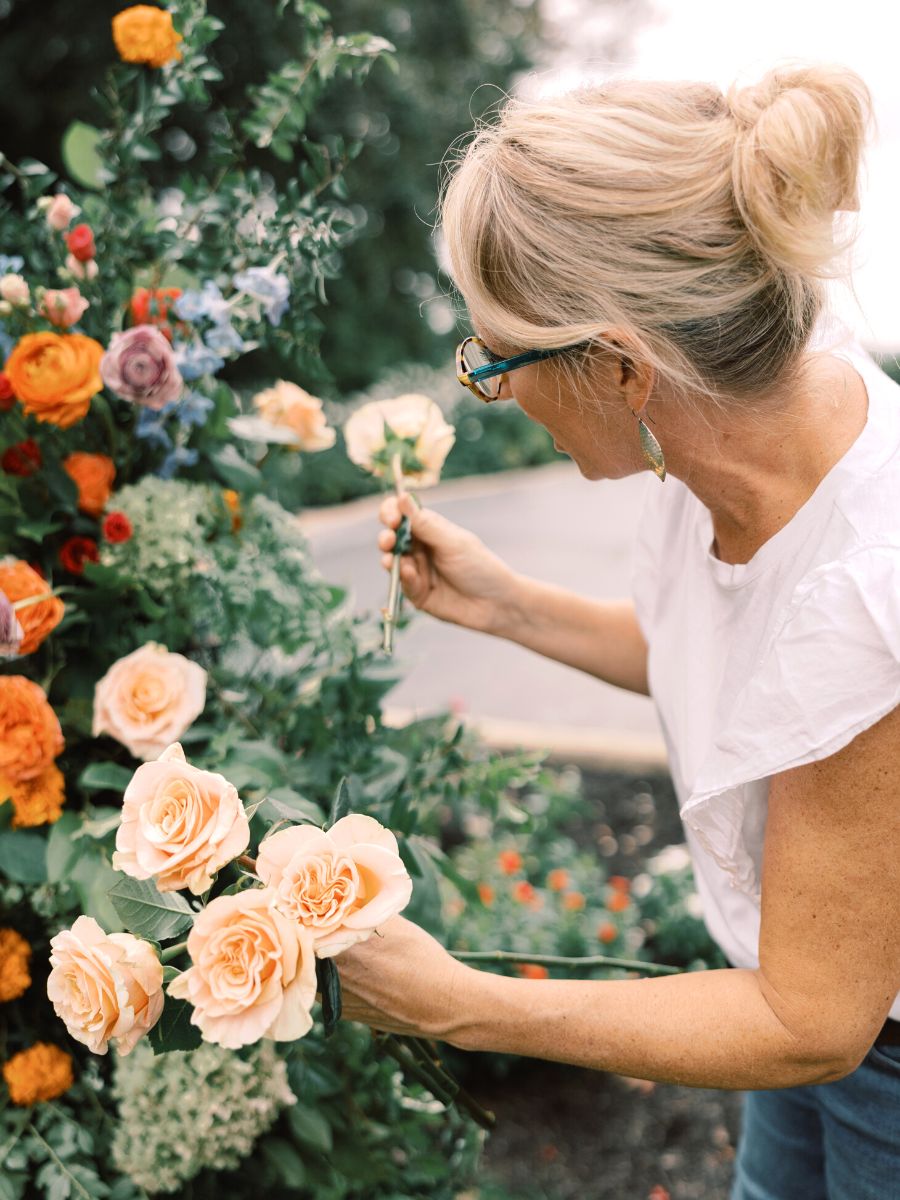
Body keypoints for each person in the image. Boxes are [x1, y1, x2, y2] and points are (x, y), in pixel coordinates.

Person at [335, 64, 900, 1199]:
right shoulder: (741, 393)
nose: (490, 390)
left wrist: (465, 1005)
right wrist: (505, 605)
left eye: (496, 362)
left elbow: (809, 1020)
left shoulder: (866, 597)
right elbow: (737, 677)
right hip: (801, 1002)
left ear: (619, 366)